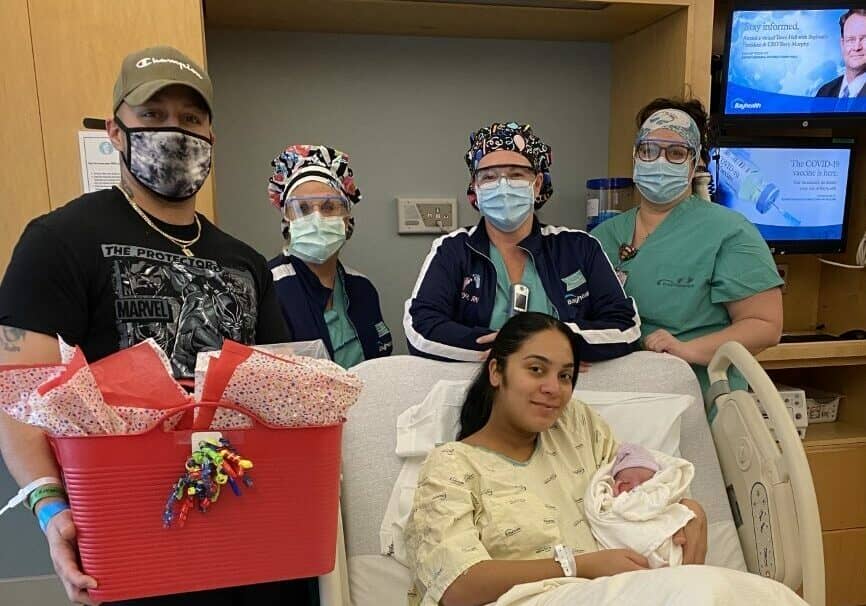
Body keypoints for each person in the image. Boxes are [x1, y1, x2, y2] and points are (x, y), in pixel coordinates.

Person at [0, 47, 317, 605]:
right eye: (152, 115)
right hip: (127, 521)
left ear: (211, 137)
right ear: (115, 132)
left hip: (242, 516)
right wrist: (49, 507)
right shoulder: (59, 240)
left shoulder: (244, 262)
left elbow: (275, 392)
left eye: (191, 119)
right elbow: (17, 391)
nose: (174, 131)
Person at [403, 312, 708, 605]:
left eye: (565, 376)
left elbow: (631, 490)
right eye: (536, 369)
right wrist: (579, 566)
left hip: (625, 592)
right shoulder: (451, 465)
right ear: (496, 372)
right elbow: (456, 584)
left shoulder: (575, 425)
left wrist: (685, 511)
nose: (553, 388)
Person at [404, 122, 640, 364]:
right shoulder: (453, 250)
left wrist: (555, 343)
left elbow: (625, 326)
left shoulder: (580, 247)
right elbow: (421, 328)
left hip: (565, 389)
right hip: (480, 389)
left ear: (537, 184)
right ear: (476, 188)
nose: (503, 185)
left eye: (516, 174)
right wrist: (504, 350)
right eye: (489, 177)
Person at [590, 99, 783, 394]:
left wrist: (687, 350)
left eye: (676, 153)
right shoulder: (603, 236)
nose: (659, 161)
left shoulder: (728, 232)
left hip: (694, 396)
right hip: (618, 394)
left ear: (695, 165)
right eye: (649, 150)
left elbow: (765, 325)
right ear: (635, 155)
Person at [267, 144, 392, 368]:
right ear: (287, 221)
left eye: (328, 207)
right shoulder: (268, 288)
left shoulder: (362, 288)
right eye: (303, 209)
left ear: (347, 218)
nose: (316, 219)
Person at [584, 443, 696, 569]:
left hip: (667, 545)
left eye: (654, 479)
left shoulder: (602, 438)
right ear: (621, 486)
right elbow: (640, 507)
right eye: (646, 483)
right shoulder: (612, 504)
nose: (653, 486)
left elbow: (666, 507)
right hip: (629, 555)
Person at [815, 9, 866, 98]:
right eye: (851, 39)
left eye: (864, 39)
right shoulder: (824, 92)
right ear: (842, 44)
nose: (857, 47)